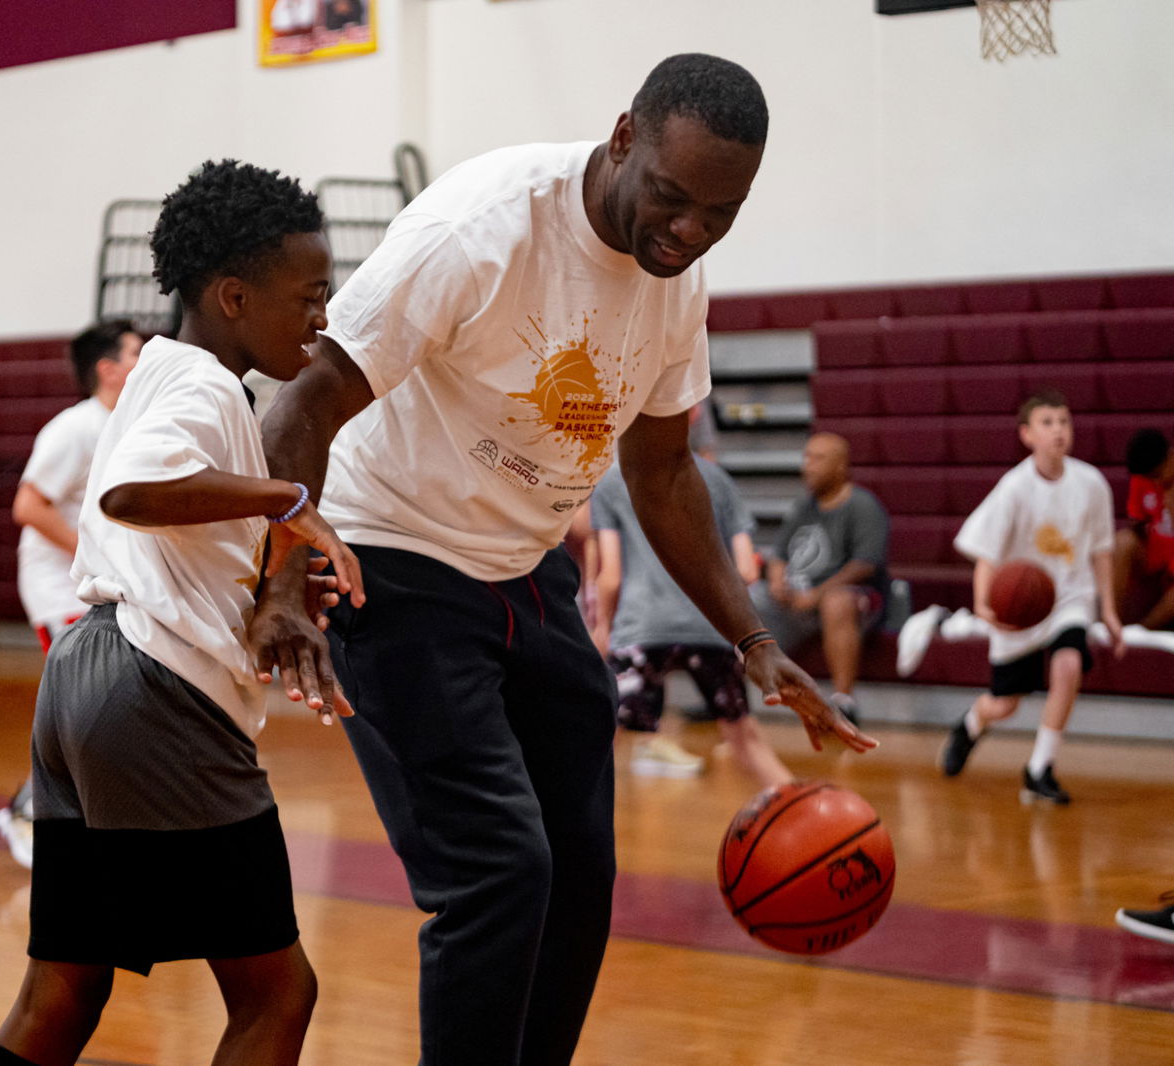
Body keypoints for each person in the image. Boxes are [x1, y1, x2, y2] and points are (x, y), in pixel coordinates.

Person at [247, 54, 874, 1066]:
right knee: (496, 872)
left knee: (578, 874)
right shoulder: (481, 228)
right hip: (389, 557)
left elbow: (664, 469)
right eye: (672, 199)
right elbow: (303, 402)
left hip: (525, 571)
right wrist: (281, 580)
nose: (689, 231)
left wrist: (752, 638)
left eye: (721, 213)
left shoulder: (677, 275)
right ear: (623, 136)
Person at [0, 159, 364, 1066]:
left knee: (64, 983)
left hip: (84, 676)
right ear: (234, 295)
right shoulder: (198, 384)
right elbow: (130, 492)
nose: (324, 315)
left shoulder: (164, 373)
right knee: (279, 993)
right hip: (159, 696)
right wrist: (285, 499)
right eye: (310, 295)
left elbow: (171, 528)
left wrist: (266, 588)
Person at [0, 320, 144, 869]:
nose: (145, 360)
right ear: (107, 369)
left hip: (103, 590)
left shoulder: (129, 426)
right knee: (85, 715)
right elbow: (28, 507)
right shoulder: (75, 427)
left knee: (109, 714)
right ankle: (28, 810)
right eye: (136, 353)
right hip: (61, 591)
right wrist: (93, 551)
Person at [939, 389, 1124, 805]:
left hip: (1070, 597)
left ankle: (1040, 767)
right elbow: (986, 554)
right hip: (1021, 605)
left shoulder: (1091, 483)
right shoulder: (1014, 488)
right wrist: (986, 604)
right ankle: (970, 725)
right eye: (1048, 423)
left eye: (1064, 422)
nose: (1059, 430)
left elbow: (1102, 550)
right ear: (1027, 435)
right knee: (1004, 706)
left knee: (1068, 664)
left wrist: (1108, 609)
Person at [591, 459, 794, 788]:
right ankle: (805, 815)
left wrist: (602, 626)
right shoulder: (718, 479)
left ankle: (567, 835)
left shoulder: (615, 480)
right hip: (710, 624)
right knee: (746, 740)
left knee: (602, 744)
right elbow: (746, 570)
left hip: (642, 625)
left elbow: (610, 576)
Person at [752, 431, 890, 726]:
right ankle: (730, 698)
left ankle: (844, 702)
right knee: (744, 599)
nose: (808, 465)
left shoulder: (862, 505)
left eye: (818, 459)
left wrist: (816, 595)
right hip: (799, 597)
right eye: (806, 457)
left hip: (854, 598)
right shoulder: (803, 506)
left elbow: (864, 565)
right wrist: (777, 581)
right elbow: (778, 555)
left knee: (836, 602)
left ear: (841, 466)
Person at [1114, 428, 1174, 631]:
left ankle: (1141, 631)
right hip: (1156, 552)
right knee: (1122, 541)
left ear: (1171, 456)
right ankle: (1112, 624)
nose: (1155, 482)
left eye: (1158, 475)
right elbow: (1136, 520)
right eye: (1151, 478)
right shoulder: (1142, 476)